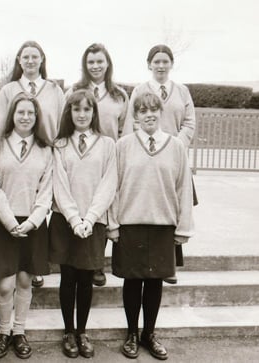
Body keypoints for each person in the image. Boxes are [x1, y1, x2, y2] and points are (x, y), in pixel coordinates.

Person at [109, 92, 194, 360]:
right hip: (130, 223)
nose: (149, 114)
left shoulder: (176, 146)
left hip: (162, 225)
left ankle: (149, 333)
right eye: (143, 110)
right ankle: (132, 333)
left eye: (153, 109)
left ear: (160, 112)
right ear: (135, 116)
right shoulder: (122, 145)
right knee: (133, 282)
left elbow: (183, 190)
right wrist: (112, 224)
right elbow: (114, 187)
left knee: (155, 282)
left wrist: (183, 227)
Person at [49, 89, 117, 359]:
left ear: (94, 113)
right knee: (68, 277)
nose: (81, 114)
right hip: (66, 221)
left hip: (93, 221)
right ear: (69, 112)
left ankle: (82, 331)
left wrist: (89, 218)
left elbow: (108, 184)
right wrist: (74, 218)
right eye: (76, 109)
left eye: (87, 109)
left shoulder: (107, 145)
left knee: (87, 278)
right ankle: (68, 332)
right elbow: (59, 185)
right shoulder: (60, 145)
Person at [122, 44, 197, 284]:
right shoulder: (140, 91)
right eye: (157, 62)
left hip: (171, 156)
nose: (161, 66)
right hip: (144, 154)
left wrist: (176, 145)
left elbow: (189, 122)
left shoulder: (182, 91)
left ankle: (168, 266)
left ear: (171, 64)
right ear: (149, 65)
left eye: (165, 61)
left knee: (171, 203)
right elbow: (132, 122)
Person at [0, 40, 65, 289]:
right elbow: (0, 123)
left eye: (36, 56)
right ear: (19, 60)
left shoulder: (54, 90)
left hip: (43, 154)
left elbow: (60, 124)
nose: (31, 61)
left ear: (42, 60)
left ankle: (34, 269)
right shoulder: (8, 90)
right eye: (25, 56)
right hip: (13, 158)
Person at [0, 93, 53, 359]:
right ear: (11, 116)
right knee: (5, 285)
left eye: (30, 113)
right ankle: (3, 331)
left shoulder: (45, 149)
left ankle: (19, 331)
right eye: (20, 113)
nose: (25, 117)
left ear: (36, 118)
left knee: (25, 281)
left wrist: (32, 221)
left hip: (33, 224)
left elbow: (46, 189)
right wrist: (9, 220)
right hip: (5, 223)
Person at [66, 43, 129, 287]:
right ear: (85, 65)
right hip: (81, 157)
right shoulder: (74, 90)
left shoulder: (119, 95)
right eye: (91, 62)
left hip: (108, 157)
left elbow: (126, 130)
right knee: (81, 205)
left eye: (100, 61)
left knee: (103, 209)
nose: (95, 66)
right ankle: (75, 260)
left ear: (108, 64)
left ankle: (97, 264)